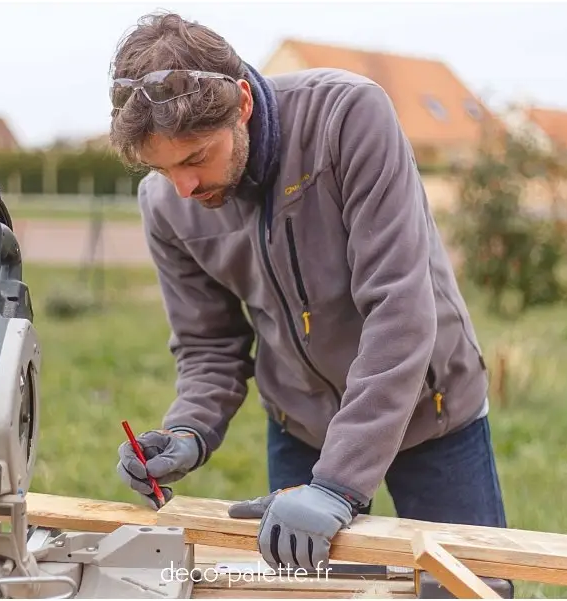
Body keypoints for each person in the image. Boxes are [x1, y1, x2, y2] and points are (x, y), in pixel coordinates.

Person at [111, 10, 510, 582]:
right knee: (311, 592)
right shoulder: (165, 204)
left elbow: (399, 312)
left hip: (430, 410)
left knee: (470, 588)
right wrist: (187, 432)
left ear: (242, 104)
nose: (184, 187)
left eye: (196, 157)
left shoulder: (348, 118)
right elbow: (209, 348)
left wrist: (338, 485)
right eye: (162, 167)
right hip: (301, 423)